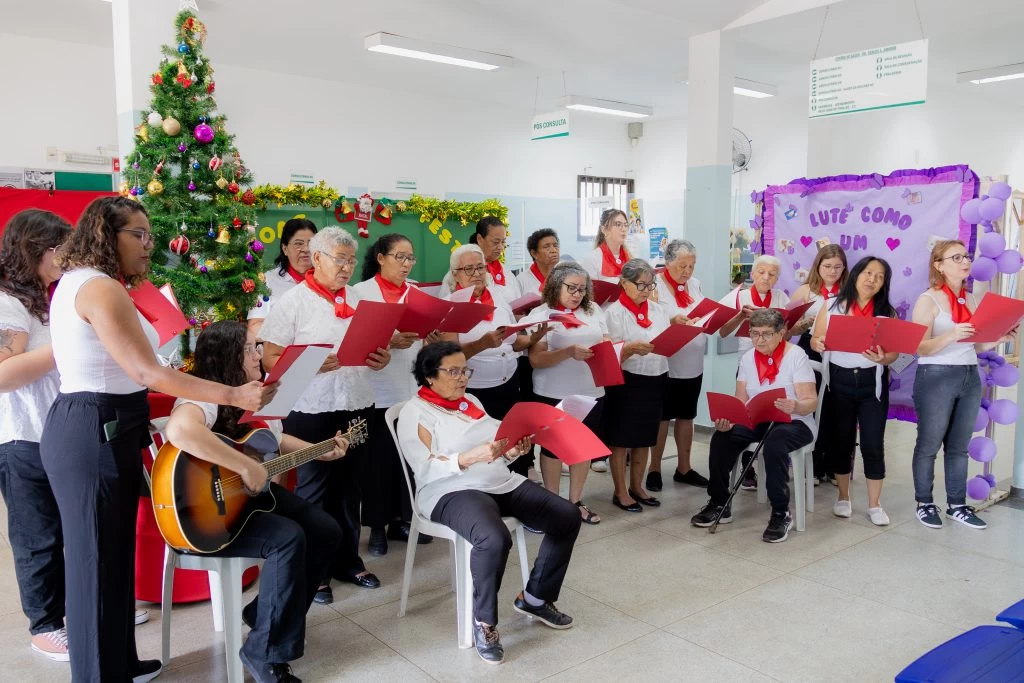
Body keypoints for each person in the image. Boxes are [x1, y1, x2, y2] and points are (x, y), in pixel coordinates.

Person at [40, 196, 273, 682]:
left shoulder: (95, 284)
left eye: (149, 235)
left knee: (112, 554)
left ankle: (119, 663)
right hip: (92, 426)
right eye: (139, 235)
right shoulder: (99, 287)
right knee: (93, 565)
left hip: (109, 421)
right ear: (108, 234)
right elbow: (145, 371)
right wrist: (231, 390)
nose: (150, 245)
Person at [165, 321, 347, 683]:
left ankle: (264, 614)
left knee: (326, 530)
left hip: (248, 498)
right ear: (229, 356)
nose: (258, 354)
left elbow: (270, 440)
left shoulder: (257, 392)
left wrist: (319, 451)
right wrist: (244, 466)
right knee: (288, 538)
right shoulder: (206, 395)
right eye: (251, 348)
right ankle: (264, 653)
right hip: (207, 513)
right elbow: (179, 430)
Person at [397, 342, 581, 664]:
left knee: (566, 515)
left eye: (464, 370)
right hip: (448, 490)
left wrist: (513, 450)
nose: (461, 378)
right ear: (429, 377)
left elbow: (497, 443)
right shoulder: (416, 412)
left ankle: (535, 598)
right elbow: (423, 466)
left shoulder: (470, 402)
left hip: (497, 480)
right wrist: (467, 459)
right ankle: (484, 623)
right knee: (493, 538)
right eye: (452, 371)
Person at [260, 226, 391, 604]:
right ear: (316, 258)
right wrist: (310, 364)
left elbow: (374, 349)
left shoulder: (362, 299)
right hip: (310, 407)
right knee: (315, 492)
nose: (348, 267)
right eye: (340, 259)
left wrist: (379, 359)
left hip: (357, 402)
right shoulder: (292, 302)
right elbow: (270, 358)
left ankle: (348, 561)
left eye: (352, 260)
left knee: (351, 489)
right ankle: (315, 573)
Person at [0, 210, 71, 662]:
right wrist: (67, 345)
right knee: (37, 535)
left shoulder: (41, 299)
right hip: (22, 436)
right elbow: (5, 373)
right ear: (36, 250)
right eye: (59, 251)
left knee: (65, 529)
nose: (64, 260)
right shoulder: (7, 302)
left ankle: (72, 610)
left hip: (55, 431)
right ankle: (45, 625)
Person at [910, 239, 1017, 530]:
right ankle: (924, 502)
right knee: (929, 444)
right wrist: (951, 335)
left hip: (969, 374)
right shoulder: (928, 299)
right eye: (955, 258)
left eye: (966, 256)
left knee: (958, 447)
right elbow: (919, 347)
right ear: (939, 265)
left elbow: (977, 344)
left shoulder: (969, 299)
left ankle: (957, 505)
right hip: (936, 376)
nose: (964, 262)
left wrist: (1000, 338)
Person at [691, 308, 818, 543]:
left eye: (766, 334)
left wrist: (795, 406)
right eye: (754, 333)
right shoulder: (748, 357)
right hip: (758, 418)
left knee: (775, 444)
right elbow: (741, 397)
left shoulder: (796, 355)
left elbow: (811, 402)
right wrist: (729, 417)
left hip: (795, 420)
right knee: (722, 437)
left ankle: (781, 512)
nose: (759, 340)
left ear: (781, 333)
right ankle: (719, 502)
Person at [352, 233, 432, 556]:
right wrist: (390, 340)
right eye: (399, 257)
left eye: (410, 258)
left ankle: (403, 519)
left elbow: (422, 338)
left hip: (409, 389)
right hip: (376, 390)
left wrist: (430, 334)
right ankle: (376, 528)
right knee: (377, 465)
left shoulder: (415, 294)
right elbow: (357, 342)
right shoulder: (360, 293)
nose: (406, 264)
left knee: (408, 460)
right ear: (381, 257)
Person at [439, 245, 547, 477]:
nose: (477, 273)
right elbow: (449, 356)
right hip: (474, 390)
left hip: (508, 382)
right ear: (455, 273)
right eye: (469, 269)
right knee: (482, 445)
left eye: (480, 267)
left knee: (510, 438)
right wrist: (482, 344)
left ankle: (513, 486)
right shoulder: (450, 304)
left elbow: (512, 342)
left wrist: (531, 338)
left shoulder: (497, 297)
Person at [811, 256, 898, 526]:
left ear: (884, 283)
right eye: (868, 273)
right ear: (856, 274)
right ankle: (843, 497)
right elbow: (815, 339)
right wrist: (819, 343)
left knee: (873, 444)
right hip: (839, 381)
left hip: (872, 384)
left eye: (879, 276)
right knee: (842, 441)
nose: (872, 279)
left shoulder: (887, 313)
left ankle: (874, 504)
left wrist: (883, 359)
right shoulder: (832, 305)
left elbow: (893, 354)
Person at [526, 262, 608, 524]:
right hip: (553, 391)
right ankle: (552, 502)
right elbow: (535, 360)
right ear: (555, 286)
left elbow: (604, 341)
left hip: (590, 389)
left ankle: (575, 502)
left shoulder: (593, 310)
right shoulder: (541, 314)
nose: (577, 294)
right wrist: (567, 352)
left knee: (581, 447)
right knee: (553, 449)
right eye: (571, 288)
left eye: (582, 289)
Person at [604, 258, 672, 512]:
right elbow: (609, 356)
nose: (645, 290)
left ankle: (637, 486)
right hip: (627, 381)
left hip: (656, 376)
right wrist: (630, 349)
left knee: (645, 436)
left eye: (649, 285)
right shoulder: (613, 313)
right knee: (621, 439)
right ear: (623, 283)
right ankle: (620, 491)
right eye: (640, 285)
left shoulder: (658, 310)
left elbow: (666, 338)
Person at [718, 254, 791, 491]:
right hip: (748, 364)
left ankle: (774, 461)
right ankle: (747, 467)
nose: (766, 277)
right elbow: (722, 331)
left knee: (773, 410)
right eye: (761, 272)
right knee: (746, 414)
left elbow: (786, 334)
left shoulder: (781, 297)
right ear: (753, 273)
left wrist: (796, 326)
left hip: (776, 365)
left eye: (772, 274)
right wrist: (740, 315)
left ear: (777, 278)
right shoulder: (739, 296)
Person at [647, 239, 709, 492]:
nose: (687, 271)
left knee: (687, 415)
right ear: (668, 262)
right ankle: (655, 468)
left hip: (692, 361)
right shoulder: (655, 285)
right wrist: (672, 320)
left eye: (691, 266)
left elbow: (702, 311)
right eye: (682, 265)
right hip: (667, 363)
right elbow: (649, 320)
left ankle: (684, 467)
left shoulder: (694, 285)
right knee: (662, 418)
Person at [789, 244, 848, 485]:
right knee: (812, 406)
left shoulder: (849, 291)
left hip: (841, 351)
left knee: (836, 408)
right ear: (817, 266)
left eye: (837, 266)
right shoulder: (805, 291)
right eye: (827, 266)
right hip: (809, 348)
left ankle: (835, 466)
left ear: (844, 268)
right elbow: (787, 327)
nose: (832, 271)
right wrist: (805, 323)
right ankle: (809, 467)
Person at [248, 218, 317, 337]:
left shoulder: (326, 280)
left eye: (311, 244)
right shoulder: (267, 281)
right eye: (298, 244)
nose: (306, 249)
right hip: (280, 352)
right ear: (285, 249)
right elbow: (254, 328)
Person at [471, 216, 522, 302]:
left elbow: (519, 302)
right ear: (479, 239)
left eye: (503, 242)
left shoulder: (507, 274)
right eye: (496, 242)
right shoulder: (464, 272)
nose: (501, 247)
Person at [580, 209, 630, 284]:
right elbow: (590, 293)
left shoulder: (631, 258)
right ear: (604, 230)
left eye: (625, 225)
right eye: (618, 224)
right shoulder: (592, 259)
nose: (623, 229)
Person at [516, 228, 560, 294]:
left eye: (555, 245)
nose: (554, 250)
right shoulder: (522, 280)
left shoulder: (565, 277)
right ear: (534, 254)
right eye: (546, 247)